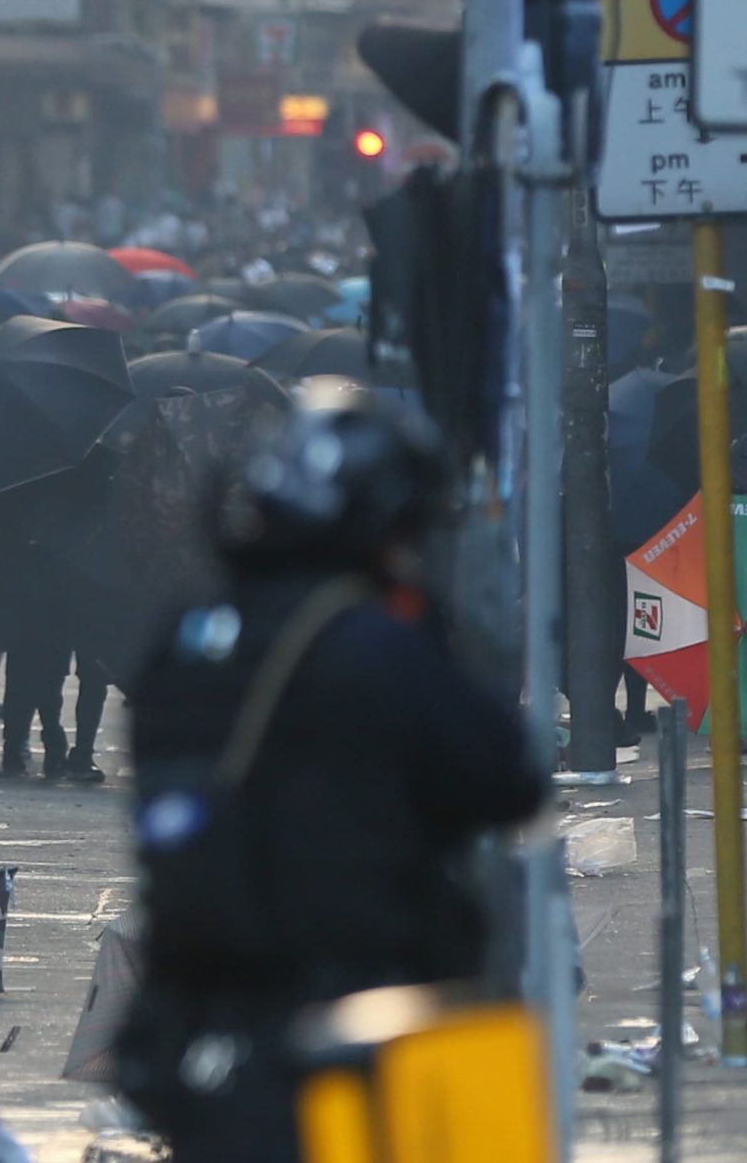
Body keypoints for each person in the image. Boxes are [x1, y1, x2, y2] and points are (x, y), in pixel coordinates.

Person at [115, 389, 545, 1161]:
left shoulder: (185, 635)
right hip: (357, 1010)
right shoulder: (374, 645)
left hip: (194, 1018)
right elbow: (505, 778)